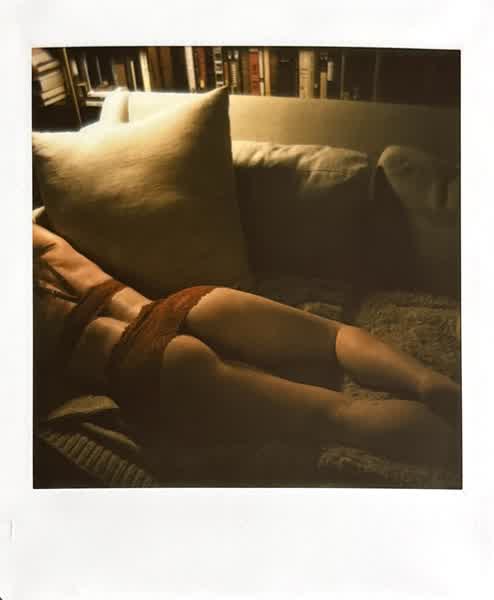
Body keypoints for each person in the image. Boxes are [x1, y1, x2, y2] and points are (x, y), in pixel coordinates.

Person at [33, 222, 461, 469]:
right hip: (177, 304)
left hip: (134, 358)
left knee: (338, 415)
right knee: (335, 336)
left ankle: (463, 451)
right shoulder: (34, 236)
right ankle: (430, 381)